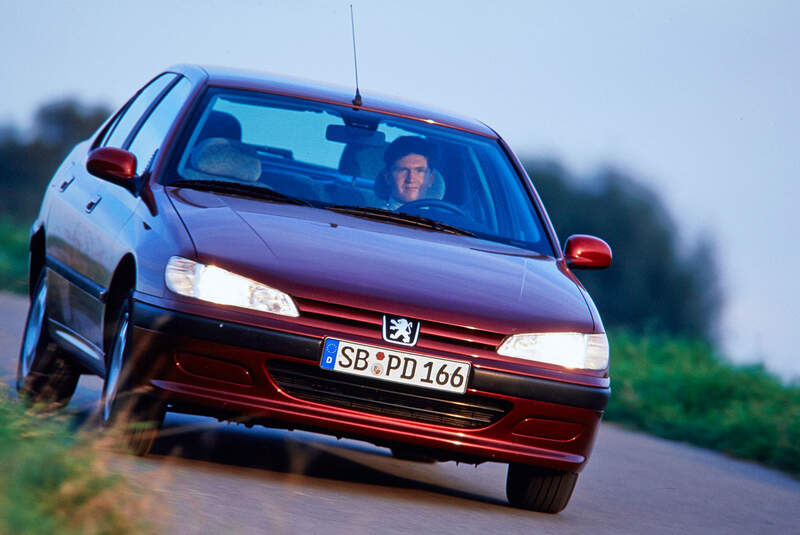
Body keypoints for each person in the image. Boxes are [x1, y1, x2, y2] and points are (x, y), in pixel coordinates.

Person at [374, 136, 445, 209]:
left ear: (431, 179)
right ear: (388, 178)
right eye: (402, 170)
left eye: (419, 171)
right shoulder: (372, 217)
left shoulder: (442, 219)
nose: (411, 179)